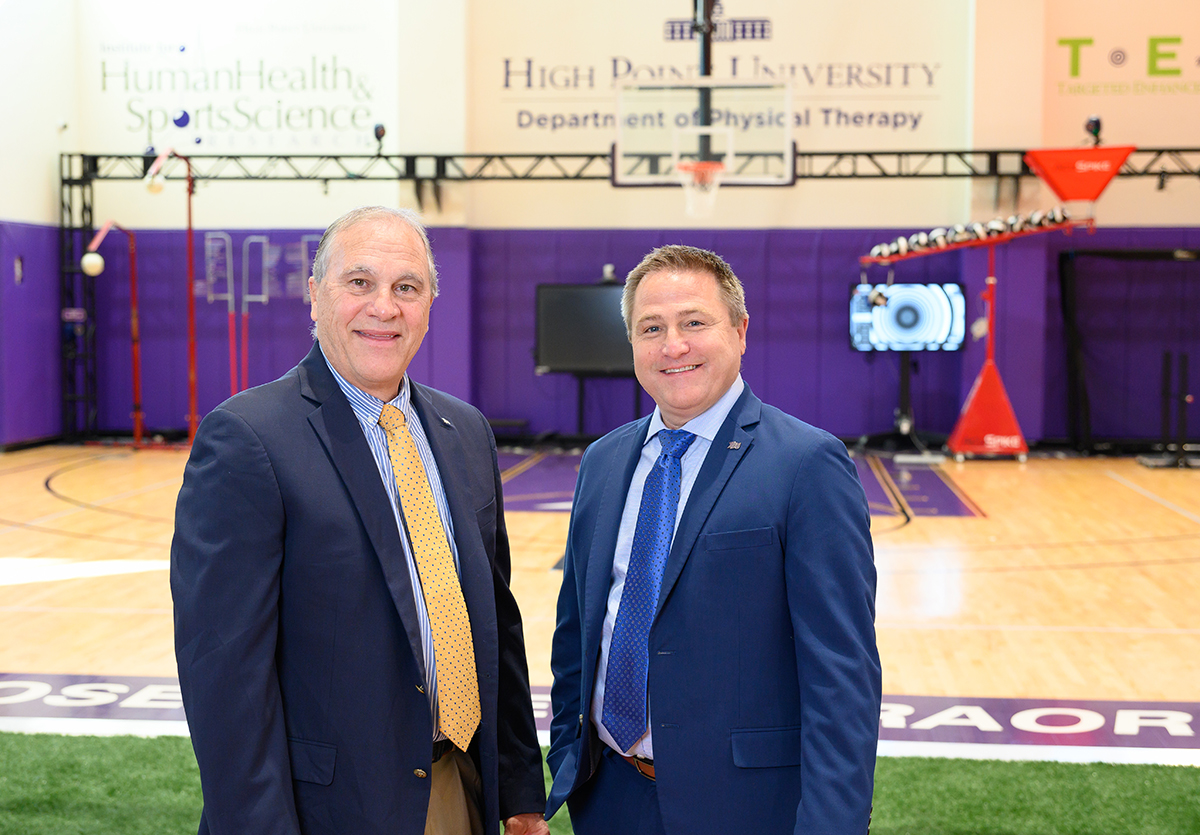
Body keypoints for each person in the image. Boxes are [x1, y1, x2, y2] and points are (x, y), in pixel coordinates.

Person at [172, 206, 549, 835]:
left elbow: (495, 624)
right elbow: (225, 679)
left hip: (463, 787)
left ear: (430, 303)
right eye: (359, 283)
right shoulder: (248, 438)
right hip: (328, 809)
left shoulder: (466, 433)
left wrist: (516, 787)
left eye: (407, 287)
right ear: (315, 297)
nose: (385, 306)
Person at [546, 245, 881, 835]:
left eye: (694, 323)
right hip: (609, 797)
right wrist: (566, 762)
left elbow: (842, 675)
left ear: (740, 330)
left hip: (745, 806)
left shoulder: (807, 463)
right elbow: (576, 631)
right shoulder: (603, 462)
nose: (673, 346)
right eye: (652, 328)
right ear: (631, 343)